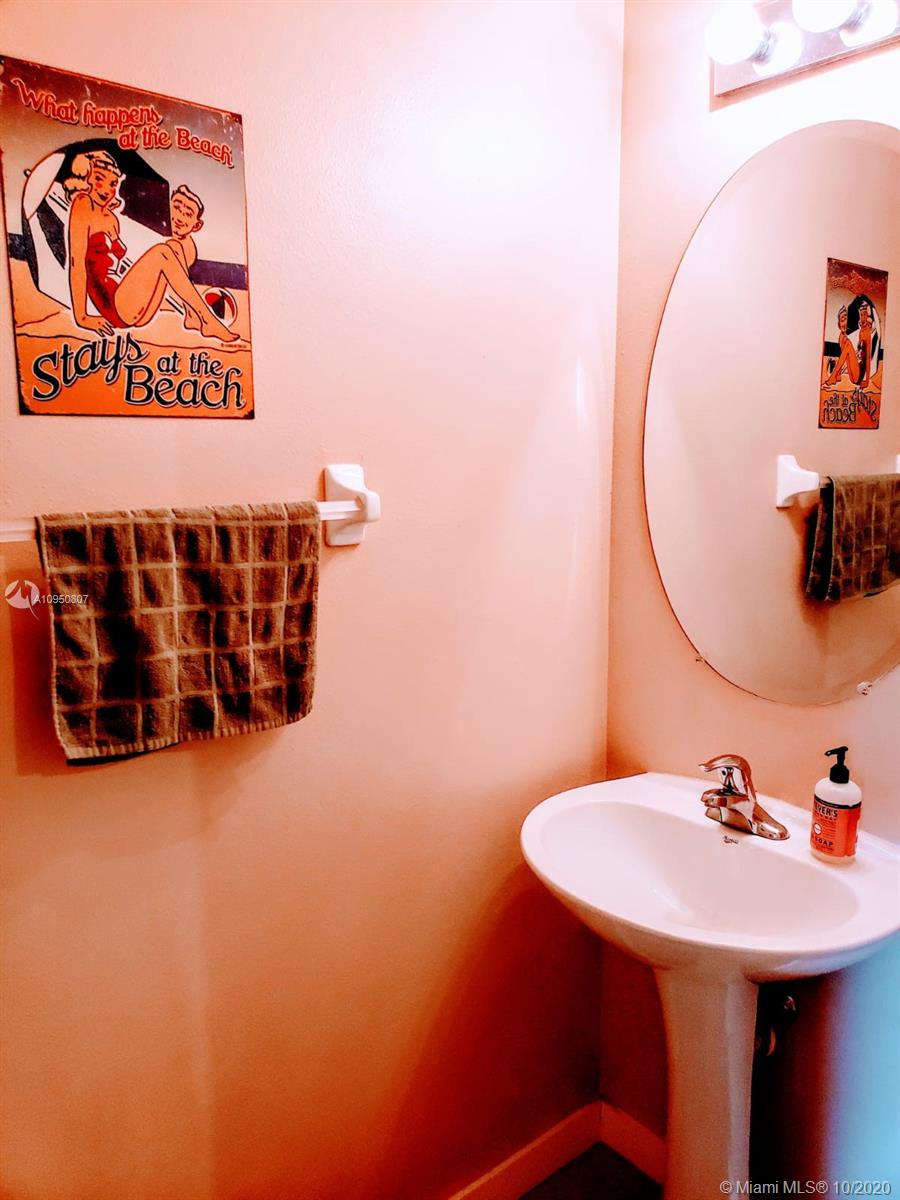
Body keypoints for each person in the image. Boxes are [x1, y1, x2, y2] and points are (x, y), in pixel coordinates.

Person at [64, 153, 238, 341]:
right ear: (87, 176)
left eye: (113, 183)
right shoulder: (83, 204)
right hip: (113, 305)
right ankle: (207, 320)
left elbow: (117, 263)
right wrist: (82, 317)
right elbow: (76, 262)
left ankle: (192, 316)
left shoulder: (111, 219)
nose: (106, 189)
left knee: (175, 246)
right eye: (99, 179)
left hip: (130, 305)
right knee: (162, 252)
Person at [823, 304, 861, 388]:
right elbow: (844, 357)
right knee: (846, 344)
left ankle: (833, 376)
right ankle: (836, 375)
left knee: (848, 343)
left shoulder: (851, 337)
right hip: (851, 374)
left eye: (846, 319)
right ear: (838, 324)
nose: (844, 323)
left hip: (858, 375)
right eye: (842, 320)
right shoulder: (841, 337)